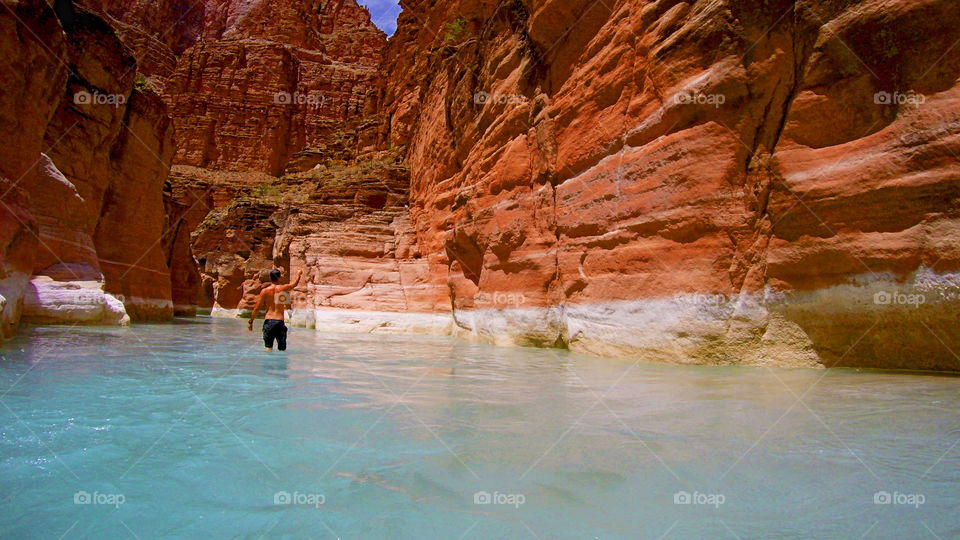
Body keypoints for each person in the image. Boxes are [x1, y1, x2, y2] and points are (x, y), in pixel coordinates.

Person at [248, 268, 302, 351]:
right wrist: (299, 274)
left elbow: (257, 308)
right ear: (279, 277)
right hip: (280, 322)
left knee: (268, 347)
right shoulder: (283, 288)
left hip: (269, 321)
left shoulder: (265, 291)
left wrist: (251, 321)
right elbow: (294, 284)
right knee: (282, 349)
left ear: (270, 278)